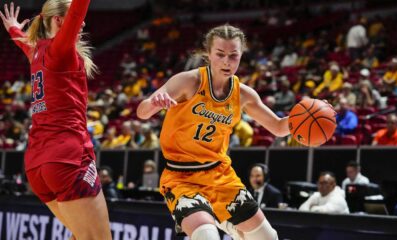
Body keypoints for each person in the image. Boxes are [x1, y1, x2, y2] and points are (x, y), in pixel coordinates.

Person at [137, 25, 287, 240]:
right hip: (181, 177)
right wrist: (154, 104)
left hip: (220, 175)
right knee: (207, 236)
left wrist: (305, 118)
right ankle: (220, 220)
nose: (227, 61)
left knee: (268, 238)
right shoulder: (188, 81)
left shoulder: (243, 94)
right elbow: (142, 111)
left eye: (233, 55)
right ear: (208, 54)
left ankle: (225, 221)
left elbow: (279, 127)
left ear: (241, 55)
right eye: (220, 54)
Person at [1, 1, 112, 239]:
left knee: (80, 236)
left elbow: (24, 43)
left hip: (37, 165)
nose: (82, 23)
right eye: (75, 19)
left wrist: (13, 29)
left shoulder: (37, 51)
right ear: (59, 20)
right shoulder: (61, 49)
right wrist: (13, 29)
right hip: (67, 158)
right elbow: (79, 9)